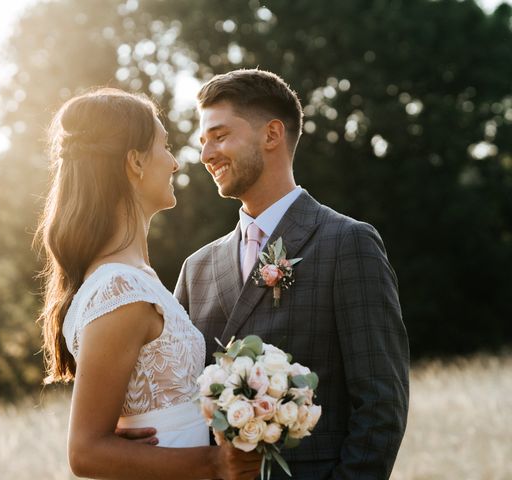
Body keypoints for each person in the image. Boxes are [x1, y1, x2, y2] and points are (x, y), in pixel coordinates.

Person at [171, 69, 409, 478]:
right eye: (203, 142)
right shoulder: (197, 268)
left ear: (272, 135)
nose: (206, 154)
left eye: (220, 135)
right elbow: (176, 398)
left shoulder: (347, 243)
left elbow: (381, 405)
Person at [36, 88, 261, 480]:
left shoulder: (136, 278)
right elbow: (85, 452)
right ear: (136, 162)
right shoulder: (120, 289)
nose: (174, 163)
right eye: (165, 146)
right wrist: (213, 463)